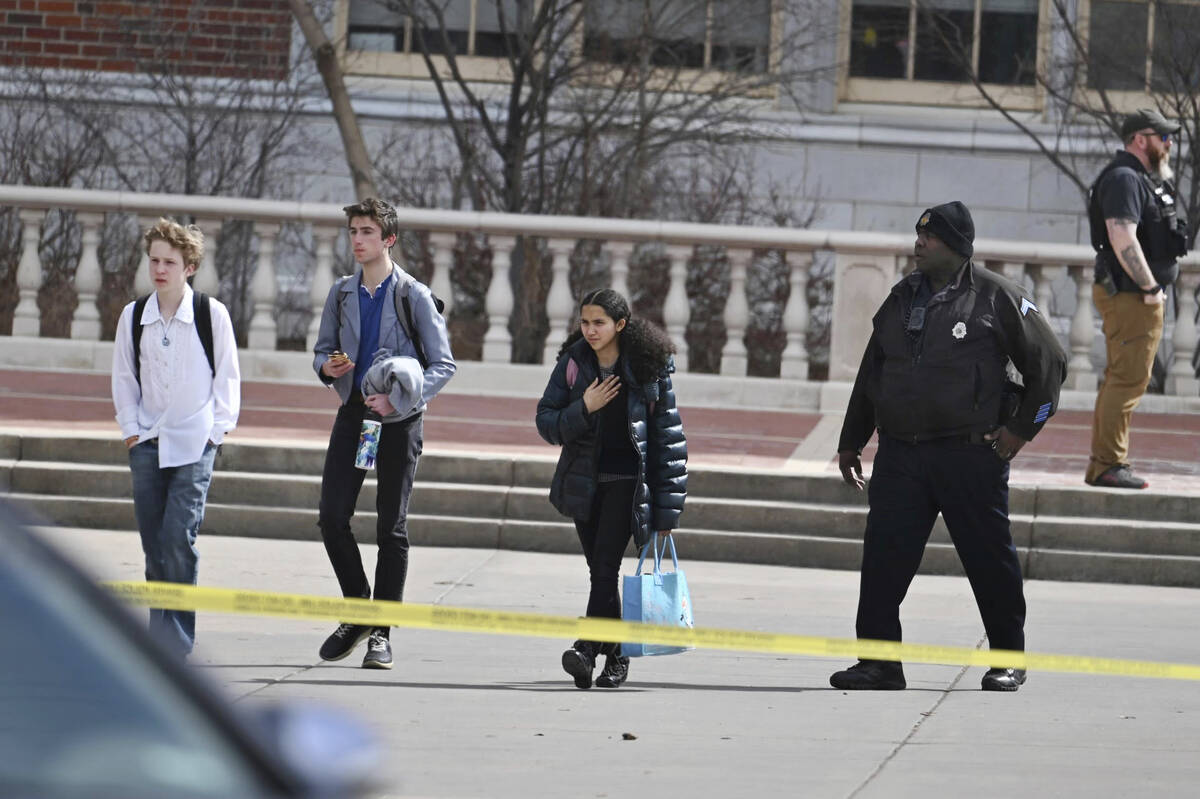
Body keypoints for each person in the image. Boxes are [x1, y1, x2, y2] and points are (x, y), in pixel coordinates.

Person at [831, 201, 1067, 692]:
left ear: (957, 246)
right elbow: (873, 372)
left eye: (930, 237)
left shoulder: (997, 297)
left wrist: (1022, 430)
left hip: (971, 456)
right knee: (883, 560)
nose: (919, 243)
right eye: (919, 235)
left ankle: (1008, 659)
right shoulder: (902, 297)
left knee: (989, 560)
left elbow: (1049, 363)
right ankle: (879, 663)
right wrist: (852, 440)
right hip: (902, 457)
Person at [312, 197, 456, 670]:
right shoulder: (341, 293)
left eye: (367, 232)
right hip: (357, 419)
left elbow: (443, 365)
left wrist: (400, 400)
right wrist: (330, 366)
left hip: (398, 422)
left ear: (388, 239)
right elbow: (320, 354)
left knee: (389, 527)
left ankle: (381, 635)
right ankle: (359, 611)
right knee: (332, 517)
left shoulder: (412, 294)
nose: (357, 240)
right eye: (353, 231)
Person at [535, 288, 688, 690]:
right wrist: (584, 407)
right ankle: (617, 656)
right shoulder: (573, 364)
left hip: (627, 485)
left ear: (620, 325)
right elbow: (546, 423)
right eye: (585, 322)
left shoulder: (649, 369)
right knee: (598, 573)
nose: (590, 330)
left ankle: (586, 648)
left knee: (604, 568)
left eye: (599, 323)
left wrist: (667, 513)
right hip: (584, 484)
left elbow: (669, 442)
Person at [112, 218, 241, 658]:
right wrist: (131, 432)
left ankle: (177, 646)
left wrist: (215, 435)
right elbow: (125, 379)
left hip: (194, 445)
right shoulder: (134, 316)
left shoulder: (211, 314)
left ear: (189, 266)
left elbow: (227, 378)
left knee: (176, 539)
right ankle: (157, 644)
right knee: (153, 547)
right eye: (154, 260)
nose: (160, 269)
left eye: (170, 261)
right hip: (147, 443)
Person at [1085, 109, 1189, 489]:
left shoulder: (1136, 179)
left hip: (1131, 295)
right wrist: (1149, 288)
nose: (1170, 144)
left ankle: (1105, 463)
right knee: (1128, 380)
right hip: (1131, 296)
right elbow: (1122, 236)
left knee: (1123, 379)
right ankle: (1109, 464)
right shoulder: (1125, 179)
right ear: (1140, 140)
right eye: (1163, 137)